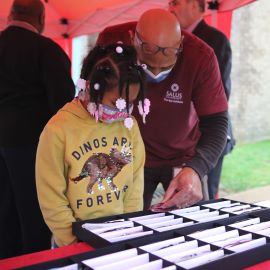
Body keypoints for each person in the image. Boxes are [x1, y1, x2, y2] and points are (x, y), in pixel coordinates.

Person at [96, 9, 228, 210]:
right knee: (126, 229)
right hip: (127, 158)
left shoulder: (201, 57)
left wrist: (196, 168)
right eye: (147, 66)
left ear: (180, 46)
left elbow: (217, 123)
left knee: (193, 228)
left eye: (166, 68)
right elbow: (94, 98)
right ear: (133, 40)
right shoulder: (111, 41)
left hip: (183, 159)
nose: (156, 74)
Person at [36, 44, 148, 247]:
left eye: (130, 104)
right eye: (117, 104)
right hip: (76, 241)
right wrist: (72, 243)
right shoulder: (57, 130)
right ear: (90, 88)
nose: (124, 112)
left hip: (121, 236)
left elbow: (135, 184)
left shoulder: (129, 126)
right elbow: (51, 198)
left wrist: (128, 230)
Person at [0, 0, 75, 259]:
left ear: (10, 15)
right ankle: (34, 263)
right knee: (33, 214)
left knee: (3, 213)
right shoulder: (47, 50)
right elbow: (63, 104)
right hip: (31, 145)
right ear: (41, 19)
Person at [168, 0, 236, 199]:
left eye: (175, 2)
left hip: (206, 137)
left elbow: (219, 94)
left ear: (193, 5)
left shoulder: (214, 40)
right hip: (177, 140)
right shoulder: (171, 38)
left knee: (204, 199)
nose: (170, 8)